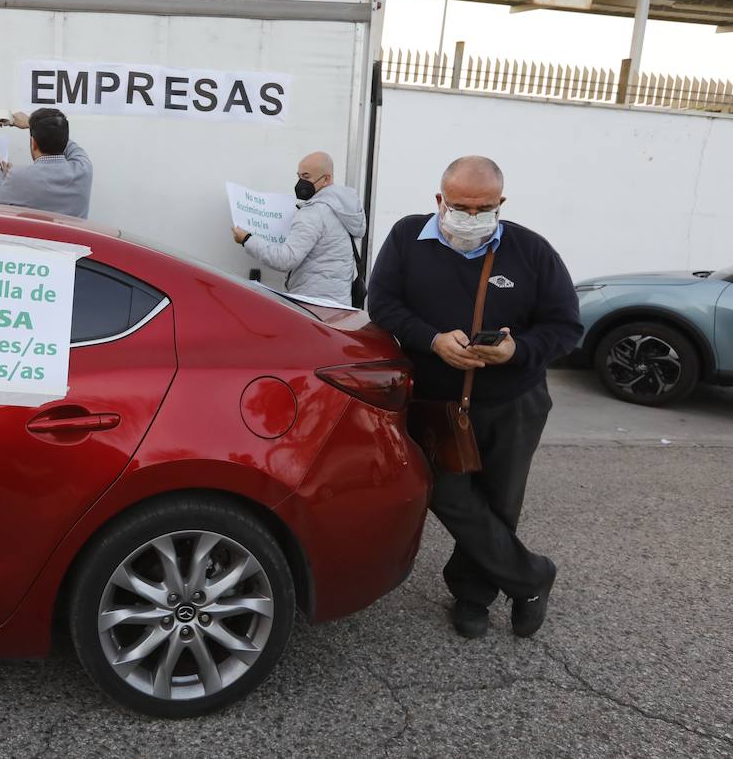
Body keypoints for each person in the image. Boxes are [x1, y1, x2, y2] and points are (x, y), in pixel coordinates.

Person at [367, 155, 582, 639]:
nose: (471, 217)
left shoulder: (531, 251)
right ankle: (531, 577)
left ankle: (473, 595)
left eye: (483, 207)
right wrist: (431, 339)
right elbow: (382, 303)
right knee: (447, 494)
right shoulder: (407, 238)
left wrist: (516, 350)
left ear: (500, 204)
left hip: (513, 402)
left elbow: (565, 326)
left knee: (500, 501)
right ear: (439, 201)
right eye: (460, 206)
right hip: (435, 403)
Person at [231, 151, 366, 306]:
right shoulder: (342, 208)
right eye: (299, 176)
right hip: (337, 302)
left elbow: (285, 260)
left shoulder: (314, 213)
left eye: (306, 177)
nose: (301, 182)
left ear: (327, 179)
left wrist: (247, 239)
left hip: (313, 305)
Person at [0, 109, 92, 218]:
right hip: (71, 238)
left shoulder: (19, 176)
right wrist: (35, 126)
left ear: (33, 143)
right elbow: (68, 143)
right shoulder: (83, 169)